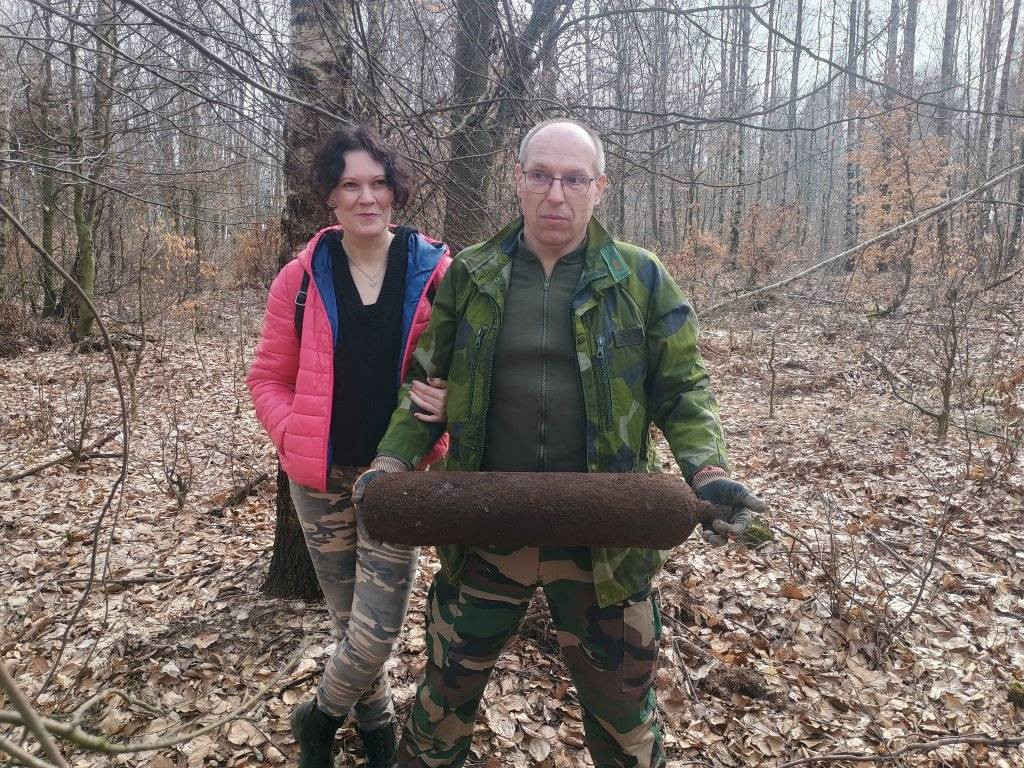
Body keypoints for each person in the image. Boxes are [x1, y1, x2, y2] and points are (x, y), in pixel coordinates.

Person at [353, 118, 766, 768]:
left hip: (606, 546)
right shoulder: (473, 276)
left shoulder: (640, 279)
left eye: (574, 179)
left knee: (628, 730)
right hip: (484, 532)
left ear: (599, 188)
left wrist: (708, 470)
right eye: (541, 175)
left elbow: (683, 388)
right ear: (517, 180)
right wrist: (390, 462)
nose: (556, 193)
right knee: (437, 718)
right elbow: (425, 388)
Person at [246, 125, 452, 768]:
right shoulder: (302, 278)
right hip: (319, 480)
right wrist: (292, 435)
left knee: (377, 628)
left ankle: (318, 715)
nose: (368, 197)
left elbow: (472, 374)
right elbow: (267, 378)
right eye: (350, 185)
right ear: (330, 199)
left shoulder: (436, 274)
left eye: (378, 183)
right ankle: (380, 731)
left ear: (395, 191)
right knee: (348, 625)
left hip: (395, 481)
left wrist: (454, 408)